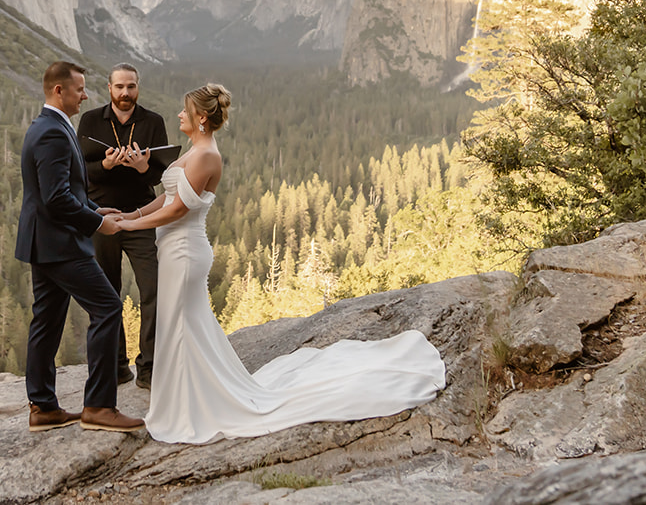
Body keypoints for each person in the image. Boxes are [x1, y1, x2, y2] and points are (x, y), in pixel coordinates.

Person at [114, 83, 446, 444]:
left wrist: (130, 225)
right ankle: (185, 400)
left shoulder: (207, 155)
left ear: (202, 118)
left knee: (181, 326)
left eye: (184, 110)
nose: (179, 115)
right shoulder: (194, 151)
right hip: (174, 248)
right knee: (182, 325)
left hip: (186, 251)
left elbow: (177, 209)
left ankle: (189, 407)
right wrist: (128, 213)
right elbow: (167, 196)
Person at [14, 61, 145, 434]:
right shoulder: (53, 133)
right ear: (59, 91)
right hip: (60, 244)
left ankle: (42, 408)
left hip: (45, 242)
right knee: (107, 307)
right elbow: (56, 199)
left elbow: (64, 192)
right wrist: (96, 223)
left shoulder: (50, 126)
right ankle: (100, 407)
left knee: (47, 321)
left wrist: (93, 207)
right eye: (80, 89)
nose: (86, 95)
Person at [77, 63, 174, 389]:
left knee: (154, 290)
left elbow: (162, 174)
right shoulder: (90, 121)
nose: (125, 93)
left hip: (142, 215)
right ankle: (116, 367)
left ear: (137, 87)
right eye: (119, 87)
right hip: (101, 217)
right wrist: (106, 164)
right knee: (107, 294)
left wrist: (144, 166)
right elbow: (78, 170)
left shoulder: (152, 122)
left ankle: (148, 369)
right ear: (109, 88)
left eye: (131, 86)